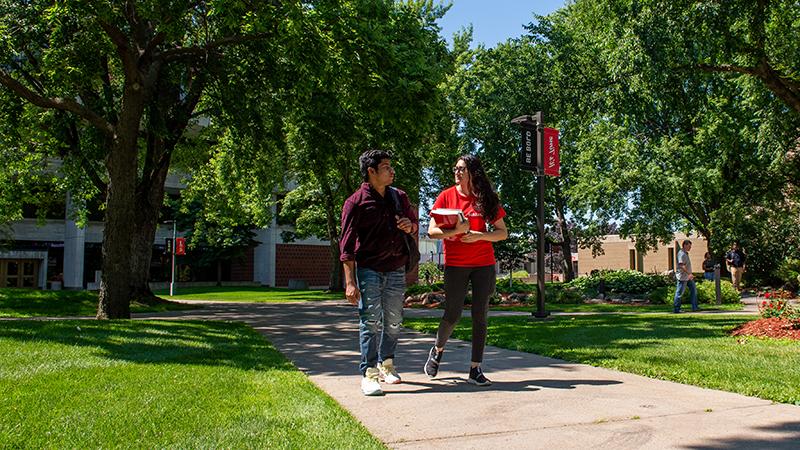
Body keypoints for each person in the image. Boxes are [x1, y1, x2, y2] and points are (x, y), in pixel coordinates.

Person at [424, 155, 508, 386]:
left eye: (462, 169)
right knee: (453, 313)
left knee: (480, 315)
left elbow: (502, 232)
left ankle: (475, 369)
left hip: (483, 263)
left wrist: (481, 236)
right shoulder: (446, 196)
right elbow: (431, 232)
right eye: (456, 168)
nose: (457, 172)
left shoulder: (485, 199)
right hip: (456, 264)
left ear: (473, 172)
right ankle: (437, 350)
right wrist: (455, 232)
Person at [340, 149, 418, 396]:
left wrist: (410, 225)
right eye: (386, 166)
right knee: (370, 321)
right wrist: (350, 282)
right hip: (369, 269)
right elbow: (347, 246)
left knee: (394, 322)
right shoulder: (356, 202)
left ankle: (387, 364)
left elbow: (414, 223)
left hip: (395, 268)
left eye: (390, 166)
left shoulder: (399, 197)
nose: (391, 170)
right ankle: (369, 373)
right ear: (371, 172)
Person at [673, 240, 698, 313]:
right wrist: (689, 273)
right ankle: (676, 309)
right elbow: (681, 265)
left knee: (694, 290)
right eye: (689, 246)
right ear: (684, 245)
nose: (690, 248)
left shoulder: (685, 253)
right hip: (682, 277)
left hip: (688, 277)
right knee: (679, 293)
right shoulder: (681, 254)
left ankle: (695, 307)